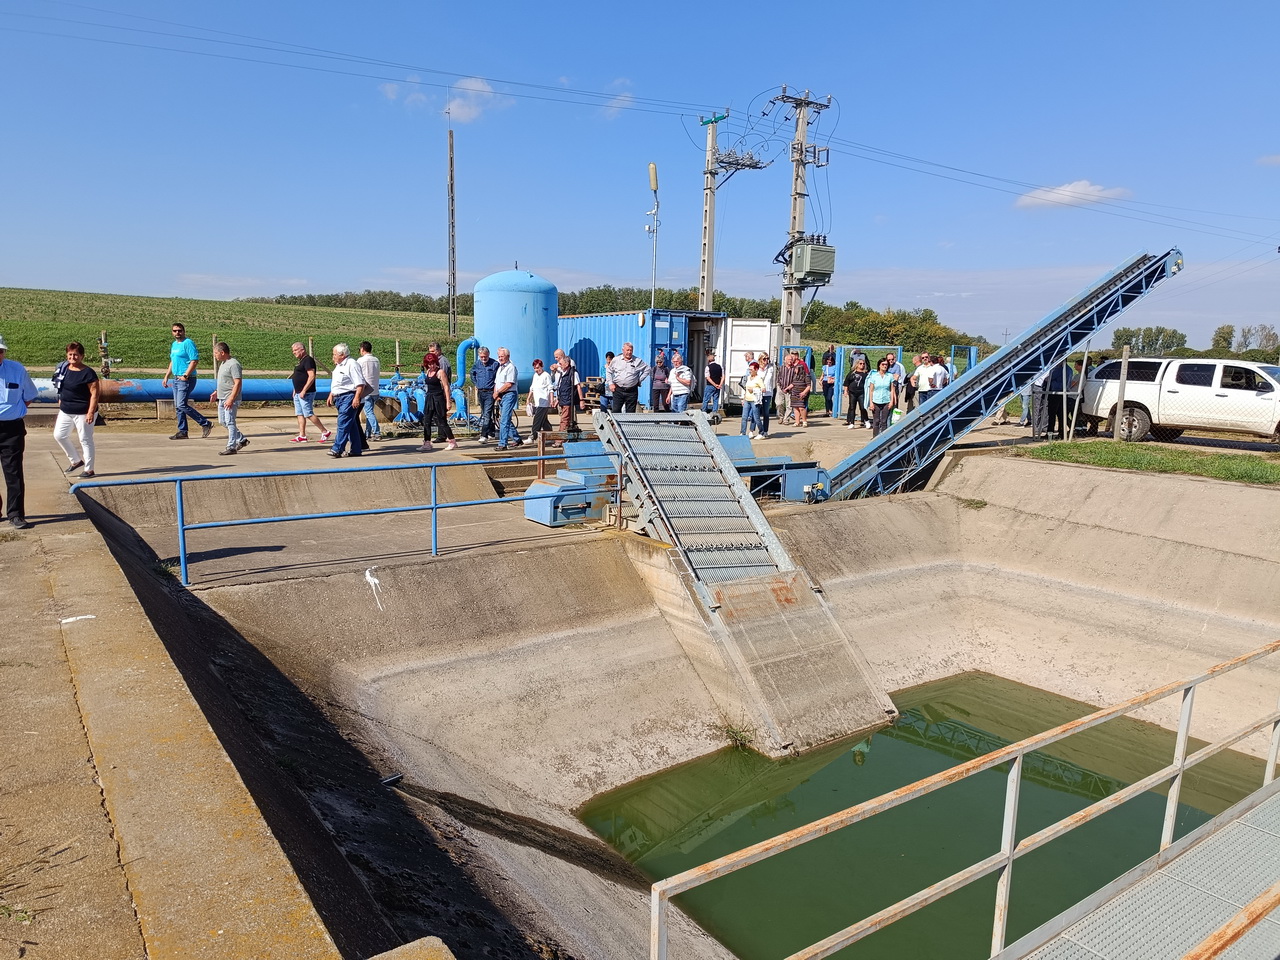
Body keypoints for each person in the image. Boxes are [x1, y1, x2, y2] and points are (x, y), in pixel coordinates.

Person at [0, 335, 37, 529]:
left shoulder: (17, 369)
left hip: (11, 430)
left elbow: (29, 396)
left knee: (13, 472)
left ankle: (15, 514)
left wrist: (14, 411)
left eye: (0, 351)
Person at [53, 341, 100, 478]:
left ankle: (89, 470)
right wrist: (61, 398)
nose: (72, 357)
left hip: (83, 412)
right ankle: (76, 461)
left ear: (82, 356)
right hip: (66, 410)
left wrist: (90, 412)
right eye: (70, 354)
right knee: (59, 435)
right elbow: (60, 385)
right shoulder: (64, 368)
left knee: (85, 439)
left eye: (76, 355)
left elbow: (95, 394)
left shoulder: (88, 373)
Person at [161, 322, 212, 440]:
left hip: (186, 379)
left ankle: (205, 423)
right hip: (176, 378)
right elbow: (173, 361)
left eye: (179, 330)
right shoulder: (174, 345)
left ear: (184, 331)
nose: (177, 333)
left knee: (181, 404)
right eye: (175, 331)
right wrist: (167, 376)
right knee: (178, 406)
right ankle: (183, 431)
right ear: (172, 332)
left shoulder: (188, 343)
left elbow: (194, 360)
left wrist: (186, 375)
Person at [325, 343, 368, 458]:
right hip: (339, 397)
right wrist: (331, 394)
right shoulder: (339, 366)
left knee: (343, 423)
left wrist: (357, 397)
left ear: (342, 355)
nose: (333, 357)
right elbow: (338, 383)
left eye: (335, 354)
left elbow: (360, 383)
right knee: (351, 424)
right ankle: (356, 449)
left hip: (348, 397)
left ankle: (337, 448)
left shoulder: (352, 364)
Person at [209, 342, 247, 455]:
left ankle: (231, 447)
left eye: (216, 353)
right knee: (222, 421)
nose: (214, 355)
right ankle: (241, 439)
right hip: (222, 397)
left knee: (230, 422)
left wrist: (231, 399)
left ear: (222, 352)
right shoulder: (223, 363)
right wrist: (216, 392)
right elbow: (225, 381)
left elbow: (237, 383)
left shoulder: (234, 364)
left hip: (230, 398)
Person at [289, 343, 329, 443]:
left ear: (302, 350)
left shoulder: (308, 360)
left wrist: (304, 390)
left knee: (308, 413)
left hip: (306, 393)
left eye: (295, 350)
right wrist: (296, 389)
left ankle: (324, 431)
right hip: (298, 392)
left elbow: (311, 376)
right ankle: (302, 435)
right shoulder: (301, 361)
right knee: (300, 413)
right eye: (293, 351)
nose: (294, 352)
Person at [418, 353, 457, 452]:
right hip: (429, 397)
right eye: (429, 364)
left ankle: (452, 441)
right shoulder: (428, 372)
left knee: (442, 421)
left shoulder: (440, 372)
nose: (431, 366)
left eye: (433, 363)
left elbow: (446, 387)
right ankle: (427, 442)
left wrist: (448, 401)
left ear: (436, 362)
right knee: (427, 421)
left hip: (438, 398)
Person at [608, 342, 650, 413]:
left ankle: (628, 421)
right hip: (618, 389)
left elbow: (647, 369)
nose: (629, 352)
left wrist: (639, 380)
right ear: (623, 350)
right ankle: (616, 421)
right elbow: (609, 371)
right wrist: (610, 383)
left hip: (632, 391)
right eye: (627, 350)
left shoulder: (637, 361)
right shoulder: (616, 360)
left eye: (631, 350)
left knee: (630, 413)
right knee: (616, 411)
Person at [494, 347, 522, 450]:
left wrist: (498, 392)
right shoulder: (500, 368)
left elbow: (509, 384)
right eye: (499, 356)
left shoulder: (511, 367)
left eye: (502, 356)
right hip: (501, 395)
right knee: (505, 419)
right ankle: (517, 439)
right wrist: (496, 394)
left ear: (508, 356)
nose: (500, 358)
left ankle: (502, 443)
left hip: (509, 394)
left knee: (504, 420)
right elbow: (496, 382)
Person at [551, 353, 583, 442]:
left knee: (564, 420)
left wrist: (581, 400)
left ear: (567, 363)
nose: (559, 366)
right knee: (566, 420)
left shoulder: (573, 373)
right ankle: (570, 437)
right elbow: (560, 387)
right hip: (562, 399)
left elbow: (578, 386)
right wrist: (557, 399)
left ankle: (559, 440)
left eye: (561, 364)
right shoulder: (562, 373)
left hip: (568, 400)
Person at [471, 346, 500, 443]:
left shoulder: (495, 364)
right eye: (481, 357)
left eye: (485, 356)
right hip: (481, 392)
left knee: (486, 414)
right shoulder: (477, 364)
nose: (483, 358)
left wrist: (496, 390)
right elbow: (472, 374)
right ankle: (491, 431)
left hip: (490, 392)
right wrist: (476, 383)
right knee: (485, 413)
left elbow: (498, 378)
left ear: (488, 355)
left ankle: (484, 435)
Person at [865, 356, 898, 437]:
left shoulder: (890, 376)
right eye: (883, 364)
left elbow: (892, 390)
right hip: (876, 401)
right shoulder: (874, 376)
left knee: (884, 421)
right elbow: (871, 390)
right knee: (876, 421)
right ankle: (875, 437)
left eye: (886, 364)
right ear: (879, 365)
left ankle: (883, 438)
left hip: (886, 401)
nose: (884, 366)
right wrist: (871, 403)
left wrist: (892, 401)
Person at [357, 341, 382, 441]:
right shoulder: (376, 360)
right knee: (370, 412)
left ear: (362, 349)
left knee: (368, 413)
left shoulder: (361, 360)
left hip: (366, 390)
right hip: (375, 389)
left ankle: (377, 432)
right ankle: (367, 433)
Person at [527, 358, 554, 441]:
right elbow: (532, 388)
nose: (536, 370)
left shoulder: (546, 375)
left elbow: (550, 388)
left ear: (542, 367)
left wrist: (551, 400)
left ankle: (532, 436)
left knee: (537, 419)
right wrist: (528, 398)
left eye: (538, 368)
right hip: (537, 402)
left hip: (544, 401)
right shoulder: (535, 376)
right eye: (535, 368)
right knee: (544, 420)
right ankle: (550, 434)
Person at [844, 357, 871, 429]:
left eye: (863, 364)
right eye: (860, 364)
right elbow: (847, 382)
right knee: (852, 407)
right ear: (857, 364)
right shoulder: (852, 373)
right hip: (852, 393)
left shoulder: (866, 374)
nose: (862, 365)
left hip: (861, 392)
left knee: (863, 407)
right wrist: (846, 391)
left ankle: (866, 421)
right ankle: (852, 423)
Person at [788, 351, 812, 428]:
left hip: (802, 391)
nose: (795, 369)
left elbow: (809, 384)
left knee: (801, 407)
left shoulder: (803, 365)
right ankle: (797, 422)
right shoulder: (794, 372)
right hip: (795, 391)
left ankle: (804, 421)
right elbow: (793, 382)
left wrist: (804, 392)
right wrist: (788, 388)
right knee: (795, 407)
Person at [740, 362, 764, 438]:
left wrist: (753, 390)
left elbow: (763, 389)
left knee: (756, 418)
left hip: (754, 401)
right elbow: (746, 389)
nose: (750, 371)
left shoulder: (759, 379)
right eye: (749, 369)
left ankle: (761, 432)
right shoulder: (748, 377)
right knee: (744, 417)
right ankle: (743, 433)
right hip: (747, 400)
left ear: (756, 370)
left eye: (751, 369)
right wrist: (743, 399)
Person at [756, 352, 775, 438]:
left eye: (767, 359)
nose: (766, 360)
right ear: (760, 359)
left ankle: (765, 431)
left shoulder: (770, 368)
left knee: (766, 412)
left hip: (767, 392)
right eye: (764, 359)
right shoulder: (757, 368)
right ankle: (755, 430)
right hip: (758, 392)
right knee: (756, 412)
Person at [702, 350, 724, 415]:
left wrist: (714, 384)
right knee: (716, 399)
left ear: (708, 360)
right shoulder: (720, 367)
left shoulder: (708, 367)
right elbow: (723, 376)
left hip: (710, 385)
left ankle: (704, 412)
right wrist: (720, 384)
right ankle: (714, 413)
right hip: (718, 386)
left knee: (706, 399)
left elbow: (708, 378)